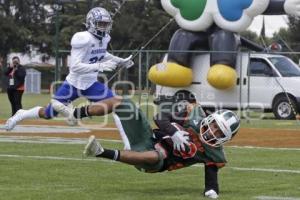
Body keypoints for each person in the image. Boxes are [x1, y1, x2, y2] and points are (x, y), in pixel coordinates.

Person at [82, 94, 240, 199]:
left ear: (225, 139)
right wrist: (173, 132)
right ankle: (77, 112)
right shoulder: (193, 115)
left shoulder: (213, 153)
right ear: (210, 119)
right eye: (215, 126)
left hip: (157, 162)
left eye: (219, 133)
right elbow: (160, 117)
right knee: (122, 102)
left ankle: (100, 152)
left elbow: (211, 181)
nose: (213, 131)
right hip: (148, 137)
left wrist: (211, 191)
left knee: (157, 154)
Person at [5, 7, 133, 130]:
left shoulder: (104, 39)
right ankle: (21, 114)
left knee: (116, 104)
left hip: (91, 84)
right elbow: (75, 66)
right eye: (100, 23)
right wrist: (100, 66)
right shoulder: (83, 38)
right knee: (48, 113)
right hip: (73, 84)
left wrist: (121, 61)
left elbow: (102, 54)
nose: (104, 27)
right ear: (91, 23)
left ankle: (128, 145)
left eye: (106, 24)